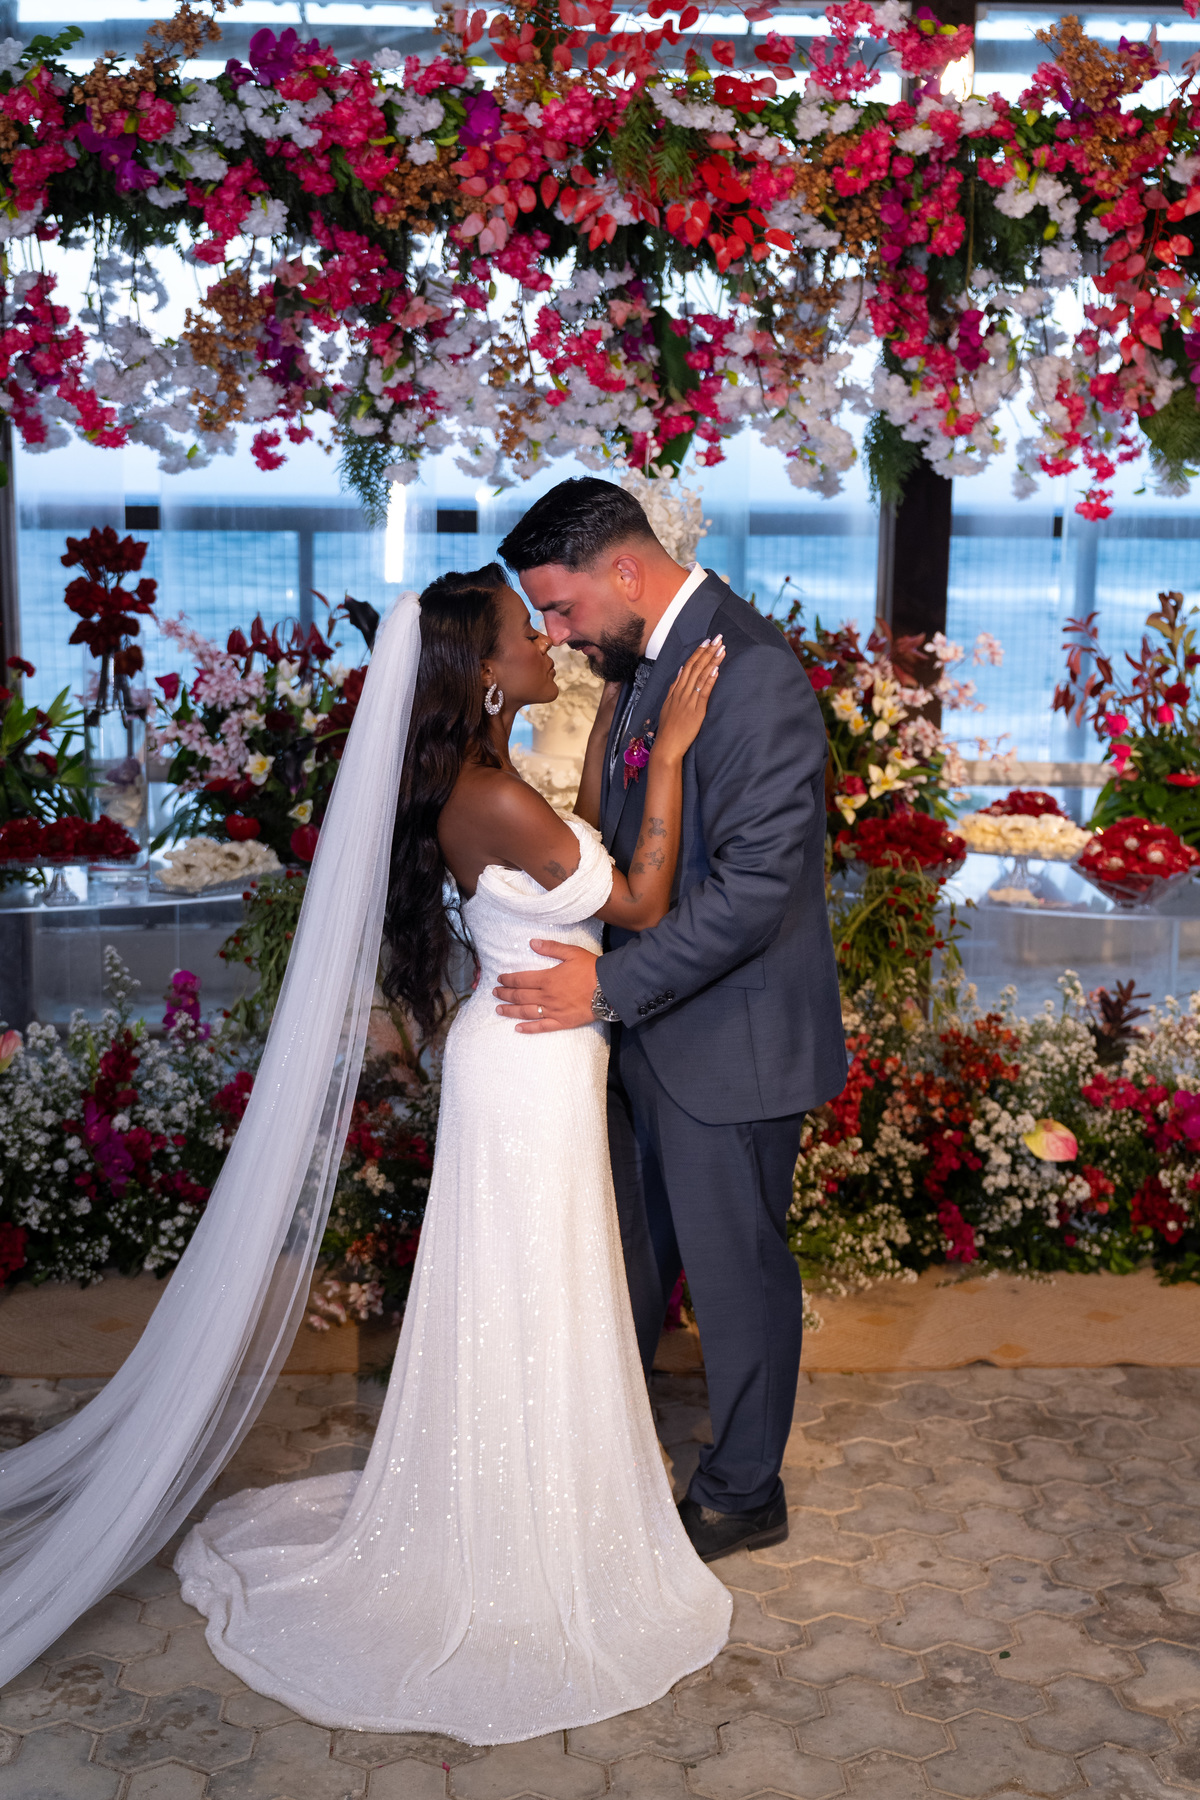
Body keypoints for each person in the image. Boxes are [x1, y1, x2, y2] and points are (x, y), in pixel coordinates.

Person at [171, 566, 732, 1741]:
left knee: (534, 1291)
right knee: (530, 1292)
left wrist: (615, 730)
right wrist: (672, 752)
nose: (546, 642)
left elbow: (573, 847)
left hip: (532, 1054)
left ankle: (532, 1499)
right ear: (482, 671)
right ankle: (515, 1532)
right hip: (529, 1068)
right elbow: (635, 902)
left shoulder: (492, 781)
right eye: (527, 631)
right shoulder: (490, 796)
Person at [494, 480, 848, 1565]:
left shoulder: (753, 674)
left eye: (562, 609)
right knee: (633, 1258)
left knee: (737, 1277)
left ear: (625, 571)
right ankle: (605, 1453)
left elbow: (752, 894)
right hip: (650, 1030)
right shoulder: (647, 665)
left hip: (728, 1041)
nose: (557, 635)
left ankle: (744, 1493)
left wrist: (604, 990)